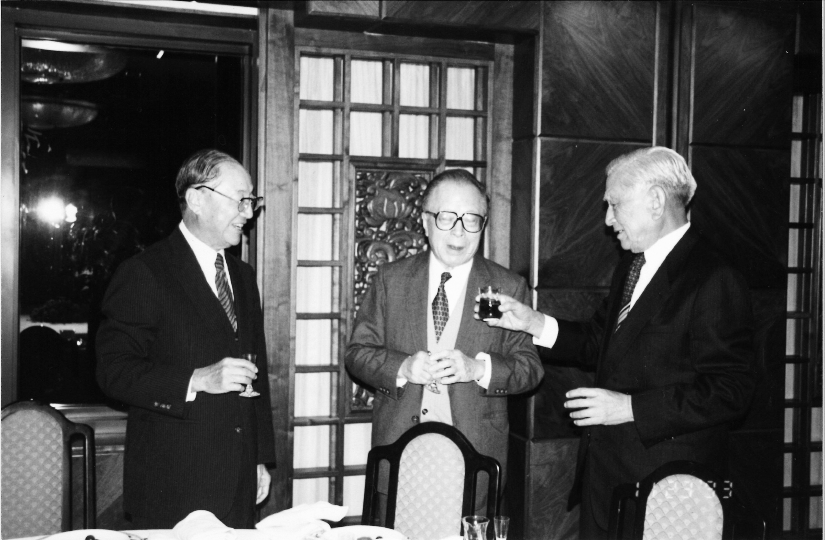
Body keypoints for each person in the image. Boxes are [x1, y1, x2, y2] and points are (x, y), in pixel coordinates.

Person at [477, 147, 756, 539]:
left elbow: (731, 390)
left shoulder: (713, 276)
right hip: (607, 482)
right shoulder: (633, 265)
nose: (608, 220)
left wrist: (629, 408)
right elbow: (599, 343)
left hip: (669, 495)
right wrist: (533, 323)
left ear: (656, 201)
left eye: (615, 204)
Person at [345, 169, 544, 518]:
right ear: (425, 221)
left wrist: (479, 369)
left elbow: (530, 369)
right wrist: (403, 367)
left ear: (483, 225)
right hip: (399, 452)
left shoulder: (507, 287)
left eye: (471, 220)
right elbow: (357, 354)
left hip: (476, 458)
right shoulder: (392, 280)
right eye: (446, 217)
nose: (458, 232)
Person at [96, 149, 276, 529]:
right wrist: (196, 380)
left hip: (239, 482)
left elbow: (255, 371)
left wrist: (260, 458)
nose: (248, 213)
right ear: (196, 199)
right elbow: (114, 371)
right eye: (240, 200)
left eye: (252, 201)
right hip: (173, 484)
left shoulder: (243, 277)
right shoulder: (145, 272)